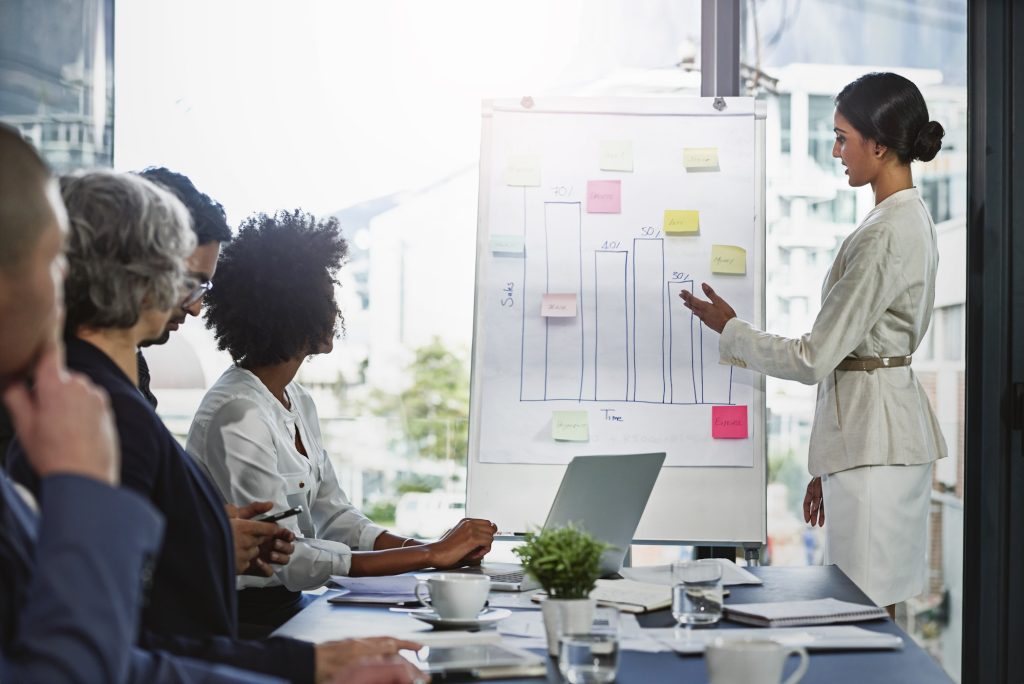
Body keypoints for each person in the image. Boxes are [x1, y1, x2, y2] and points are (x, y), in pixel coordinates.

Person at [6, 170, 423, 683]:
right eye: (189, 280)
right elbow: (105, 646)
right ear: (147, 277)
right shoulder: (97, 414)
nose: (197, 302)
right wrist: (305, 666)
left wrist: (205, 533)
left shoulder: (118, 402)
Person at [0, 124, 290, 683]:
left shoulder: (114, 390)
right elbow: (91, 654)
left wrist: (197, 533)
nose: (60, 283)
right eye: (51, 260)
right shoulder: (85, 410)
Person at [680, 72, 947, 611]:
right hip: (876, 442)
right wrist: (831, 465)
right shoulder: (904, 218)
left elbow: (814, 357)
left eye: (843, 138)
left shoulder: (885, 233)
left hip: (878, 445)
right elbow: (856, 357)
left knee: (863, 613)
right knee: (872, 610)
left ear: (878, 143)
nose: (835, 151)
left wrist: (732, 329)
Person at [186, 210, 498, 633]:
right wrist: (428, 556)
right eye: (327, 299)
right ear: (292, 310)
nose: (336, 311)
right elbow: (288, 558)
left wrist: (432, 548)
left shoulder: (296, 399)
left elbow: (334, 516)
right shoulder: (237, 414)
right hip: (244, 622)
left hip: (292, 607)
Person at [136, 166, 292, 578]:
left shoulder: (133, 369)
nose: (195, 307)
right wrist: (200, 538)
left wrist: (205, 523)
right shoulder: (68, 381)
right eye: (191, 283)